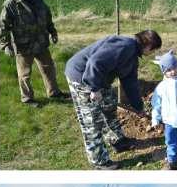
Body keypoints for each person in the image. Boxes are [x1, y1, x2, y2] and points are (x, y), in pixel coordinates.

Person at [65, 29, 162, 170]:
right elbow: (95, 62)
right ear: (148, 46)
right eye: (153, 50)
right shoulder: (124, 46)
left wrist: (138, 107)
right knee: (92, 120)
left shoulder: (132, 57)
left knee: (109, 106)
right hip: (82, 77)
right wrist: (94, 88)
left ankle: (118, 141)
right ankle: (99, 161)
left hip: (99, 79)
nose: (152, 53)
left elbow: (130, 83)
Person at [0, 0, 68, 107]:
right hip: (23, 45)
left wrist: (53, 32)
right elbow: (3, 27)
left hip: (41, 42)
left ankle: (54, 92)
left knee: (49, 68)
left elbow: (47, 18)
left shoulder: (38, 0)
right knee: (24, 74)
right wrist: (5, 45)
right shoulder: (10, 4)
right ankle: (27, 98)